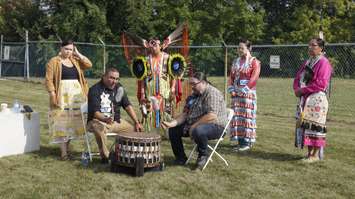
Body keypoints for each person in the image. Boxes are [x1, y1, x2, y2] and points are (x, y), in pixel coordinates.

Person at [162, 72, 228, 170]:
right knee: (173, 130)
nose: (192, 87)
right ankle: (180, 158)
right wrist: (171, 124)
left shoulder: (212, 93)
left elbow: (212, 116)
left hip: (217, 126)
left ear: (203, 82)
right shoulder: (194, 95)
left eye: (194, 84)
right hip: (197, 125)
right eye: (190, 84)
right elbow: (185, 114)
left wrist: (194, 126)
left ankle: (202, 157)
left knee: (199, 130)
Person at [45, 39, 92, 160]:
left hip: (77, 96)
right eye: (66, 49)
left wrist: (78, 53)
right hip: (62, 95)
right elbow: (49, 79)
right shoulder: (54, 61)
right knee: (61, 122)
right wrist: (52, 94)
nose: (68, 51)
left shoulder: (75, 60)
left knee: (73, 123)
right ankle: (64, 153)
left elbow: (88, 64)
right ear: (61, 48)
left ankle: (66, 148)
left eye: (71, 49)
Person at [87, 68, 143, 163]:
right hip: (97, 121)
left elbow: (127, 106)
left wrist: (136, 122)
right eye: (112, 78)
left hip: (115, 122)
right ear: (104, 77)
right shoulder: (95, 90)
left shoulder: (119, 88)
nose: (115, 81)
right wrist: (105, 119)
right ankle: (106, 156)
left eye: (117, 79)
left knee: (136, 130)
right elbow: (95, 113)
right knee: (99, 128)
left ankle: (129, 155)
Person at [293, 38, 332, 162]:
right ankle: (309, 154)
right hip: (305, 99)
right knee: (306, 125)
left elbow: (321, 83)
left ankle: (315, 155)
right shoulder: (307, 62)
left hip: (317, 99)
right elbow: (298, 77)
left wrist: (302, 90)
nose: (310, 47)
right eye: (309, 45)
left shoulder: (324, 63)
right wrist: (297, 89)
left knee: (315, 126)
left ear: (321, 48)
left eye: (313, 45)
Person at [228, 38, 261, 151]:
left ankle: (247, 142)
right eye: (239, 48)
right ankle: (240, 141)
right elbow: (231, 77)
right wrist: (231, 89)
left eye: (242, 48)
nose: (240, 50)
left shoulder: (254, 62)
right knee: (237, 117)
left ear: (249, 48)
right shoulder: (236, 61)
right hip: (236, 94)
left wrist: (245, 90)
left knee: (247, 118)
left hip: (248, 95)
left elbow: (254, 78)